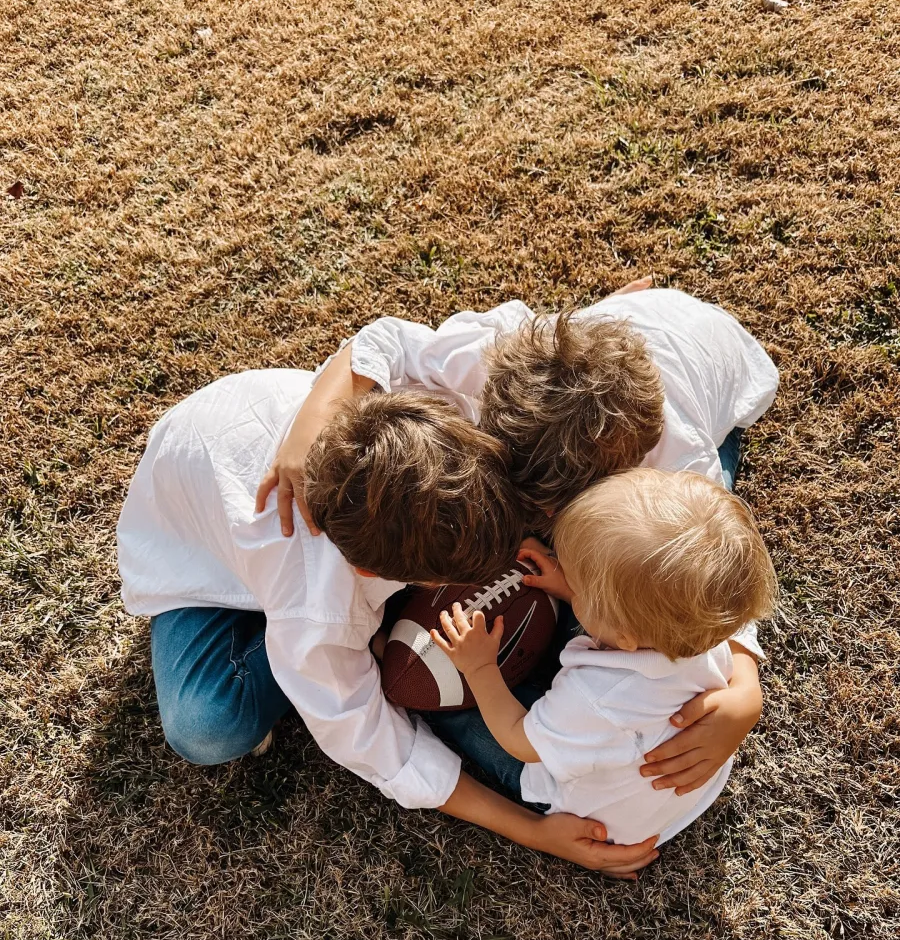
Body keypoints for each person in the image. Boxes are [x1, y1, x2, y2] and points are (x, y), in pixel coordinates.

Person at [118, 373, 657, 877]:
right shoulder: (318, 610)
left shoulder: (439, 415)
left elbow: (382, 341)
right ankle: (345, 635)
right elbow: (374, 743)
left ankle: (376, 628)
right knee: (208, 727)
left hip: (253, 427)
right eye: (448, 580)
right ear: (371, 573)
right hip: (200, 557)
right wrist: (533, 831)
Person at [259, 279, 779, 796]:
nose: (528, 519)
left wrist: (744, 682)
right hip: (622, 349)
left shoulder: (676, 460)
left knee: (642, 592)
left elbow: (708, 565)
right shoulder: (492, 354)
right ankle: (613, 319)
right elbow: (385, 339)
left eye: (549, 510)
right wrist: (313, 420)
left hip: (715, 387)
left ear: (626, 473)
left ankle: (618, 323)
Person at [430, 469, 778, 844]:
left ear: (625, 636)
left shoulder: (597, 699)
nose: (568, 577)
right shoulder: (702, 629)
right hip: (668, 793)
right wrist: (574, 591)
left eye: (579, 585)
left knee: (456, 711)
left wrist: (479, 668)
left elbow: (520, 741)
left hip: (595, 814)